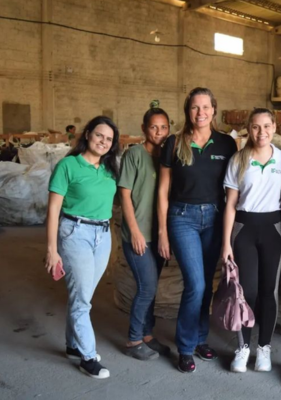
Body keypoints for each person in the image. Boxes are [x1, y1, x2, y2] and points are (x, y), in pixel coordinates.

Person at [157, 87, 237, 373]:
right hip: (182, 218)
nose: (200, 112)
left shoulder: (227, 144)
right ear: (187, 111)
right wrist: (163, 232)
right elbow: (163, 189)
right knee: (196, 284)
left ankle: (201, 338)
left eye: (205, 107)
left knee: (206, 284)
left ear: (214, 110)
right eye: (194, 107)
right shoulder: (174, 143)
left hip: (214, 219)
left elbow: (234, 187)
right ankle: (186, 346)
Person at [45, 116, 120, 379]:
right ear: (87, 134)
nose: (103, 142)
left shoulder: (110, 169)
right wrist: (52, 249)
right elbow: (54, 208)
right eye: (99, 135)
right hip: (74, 232)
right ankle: (88, 357)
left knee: (82, 294)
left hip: (102, 234)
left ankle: (72, 345)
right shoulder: (68, 165)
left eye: (109, 139)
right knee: (83, 300)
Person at [221, 108, 281, 373]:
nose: (261, 132)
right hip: (244, 229)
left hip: (273, 229)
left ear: (274, 127)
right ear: (248, 130)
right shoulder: (238, 160)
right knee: (246, 292)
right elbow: (230, 204)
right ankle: (242, 348)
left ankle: (264, 348)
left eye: (266, 126)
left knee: (268, 292)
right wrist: (226, 242)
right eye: (255, 127)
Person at [120, 108, 171, 360]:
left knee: (151, 288)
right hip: (138, 236)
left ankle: (148, 335)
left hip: (158, 236)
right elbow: (125, 195)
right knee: (147, 287)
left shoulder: (168, 158)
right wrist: (135, 232)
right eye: (153, 127)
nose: (159, 132)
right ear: (144, 129)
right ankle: (133, 339)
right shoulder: (134, 155)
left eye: (163, 127)